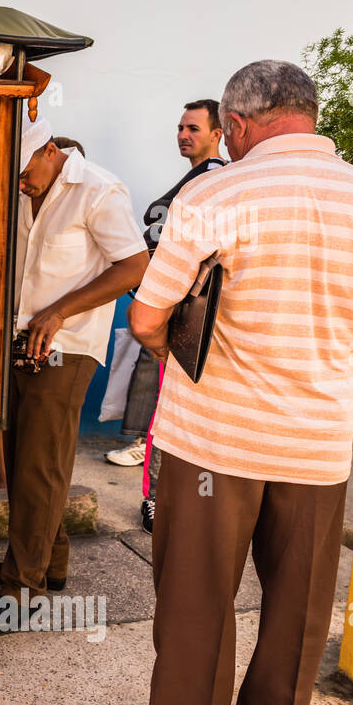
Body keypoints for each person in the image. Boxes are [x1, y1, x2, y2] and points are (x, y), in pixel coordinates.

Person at [123, 60, 353, 705]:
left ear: (239, 123)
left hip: (214, 441)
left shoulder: (215, 192)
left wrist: (170, 349)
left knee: (198, 598)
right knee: (301, 607)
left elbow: (147, 316)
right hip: (315, 446)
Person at [0, 116, 148, 633]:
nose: (20, 182)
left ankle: (20, 592)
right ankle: (52, 564)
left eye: (24, 170)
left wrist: (59, 313)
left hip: (68, 345)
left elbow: (134, 266)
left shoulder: (98, 189)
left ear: (49, 150)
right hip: (20, 336)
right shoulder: (24, 186)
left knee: (39, 466)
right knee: (32, 457)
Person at [106, 101, 227, 537]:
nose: (183, 134)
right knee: (173, 408)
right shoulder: (199, 179)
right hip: (175, 309)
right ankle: (168, 498)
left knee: (169, 409)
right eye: (179, 127)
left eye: (193, 127)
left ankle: (157, 499)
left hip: (184, 313)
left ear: (219, 132)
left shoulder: (213, 180)